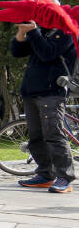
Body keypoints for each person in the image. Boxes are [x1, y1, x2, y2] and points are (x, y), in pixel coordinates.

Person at [11, 14, 76, 193]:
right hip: (31, 91)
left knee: (53, 135)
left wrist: (34, 32)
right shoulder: (40, 32)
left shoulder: (66, 32)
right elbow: (17, 52)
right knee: (36, 136)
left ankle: (65, 177)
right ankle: (46, 174)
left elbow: (48, 54)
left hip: (51, 91)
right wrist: (21, 33)